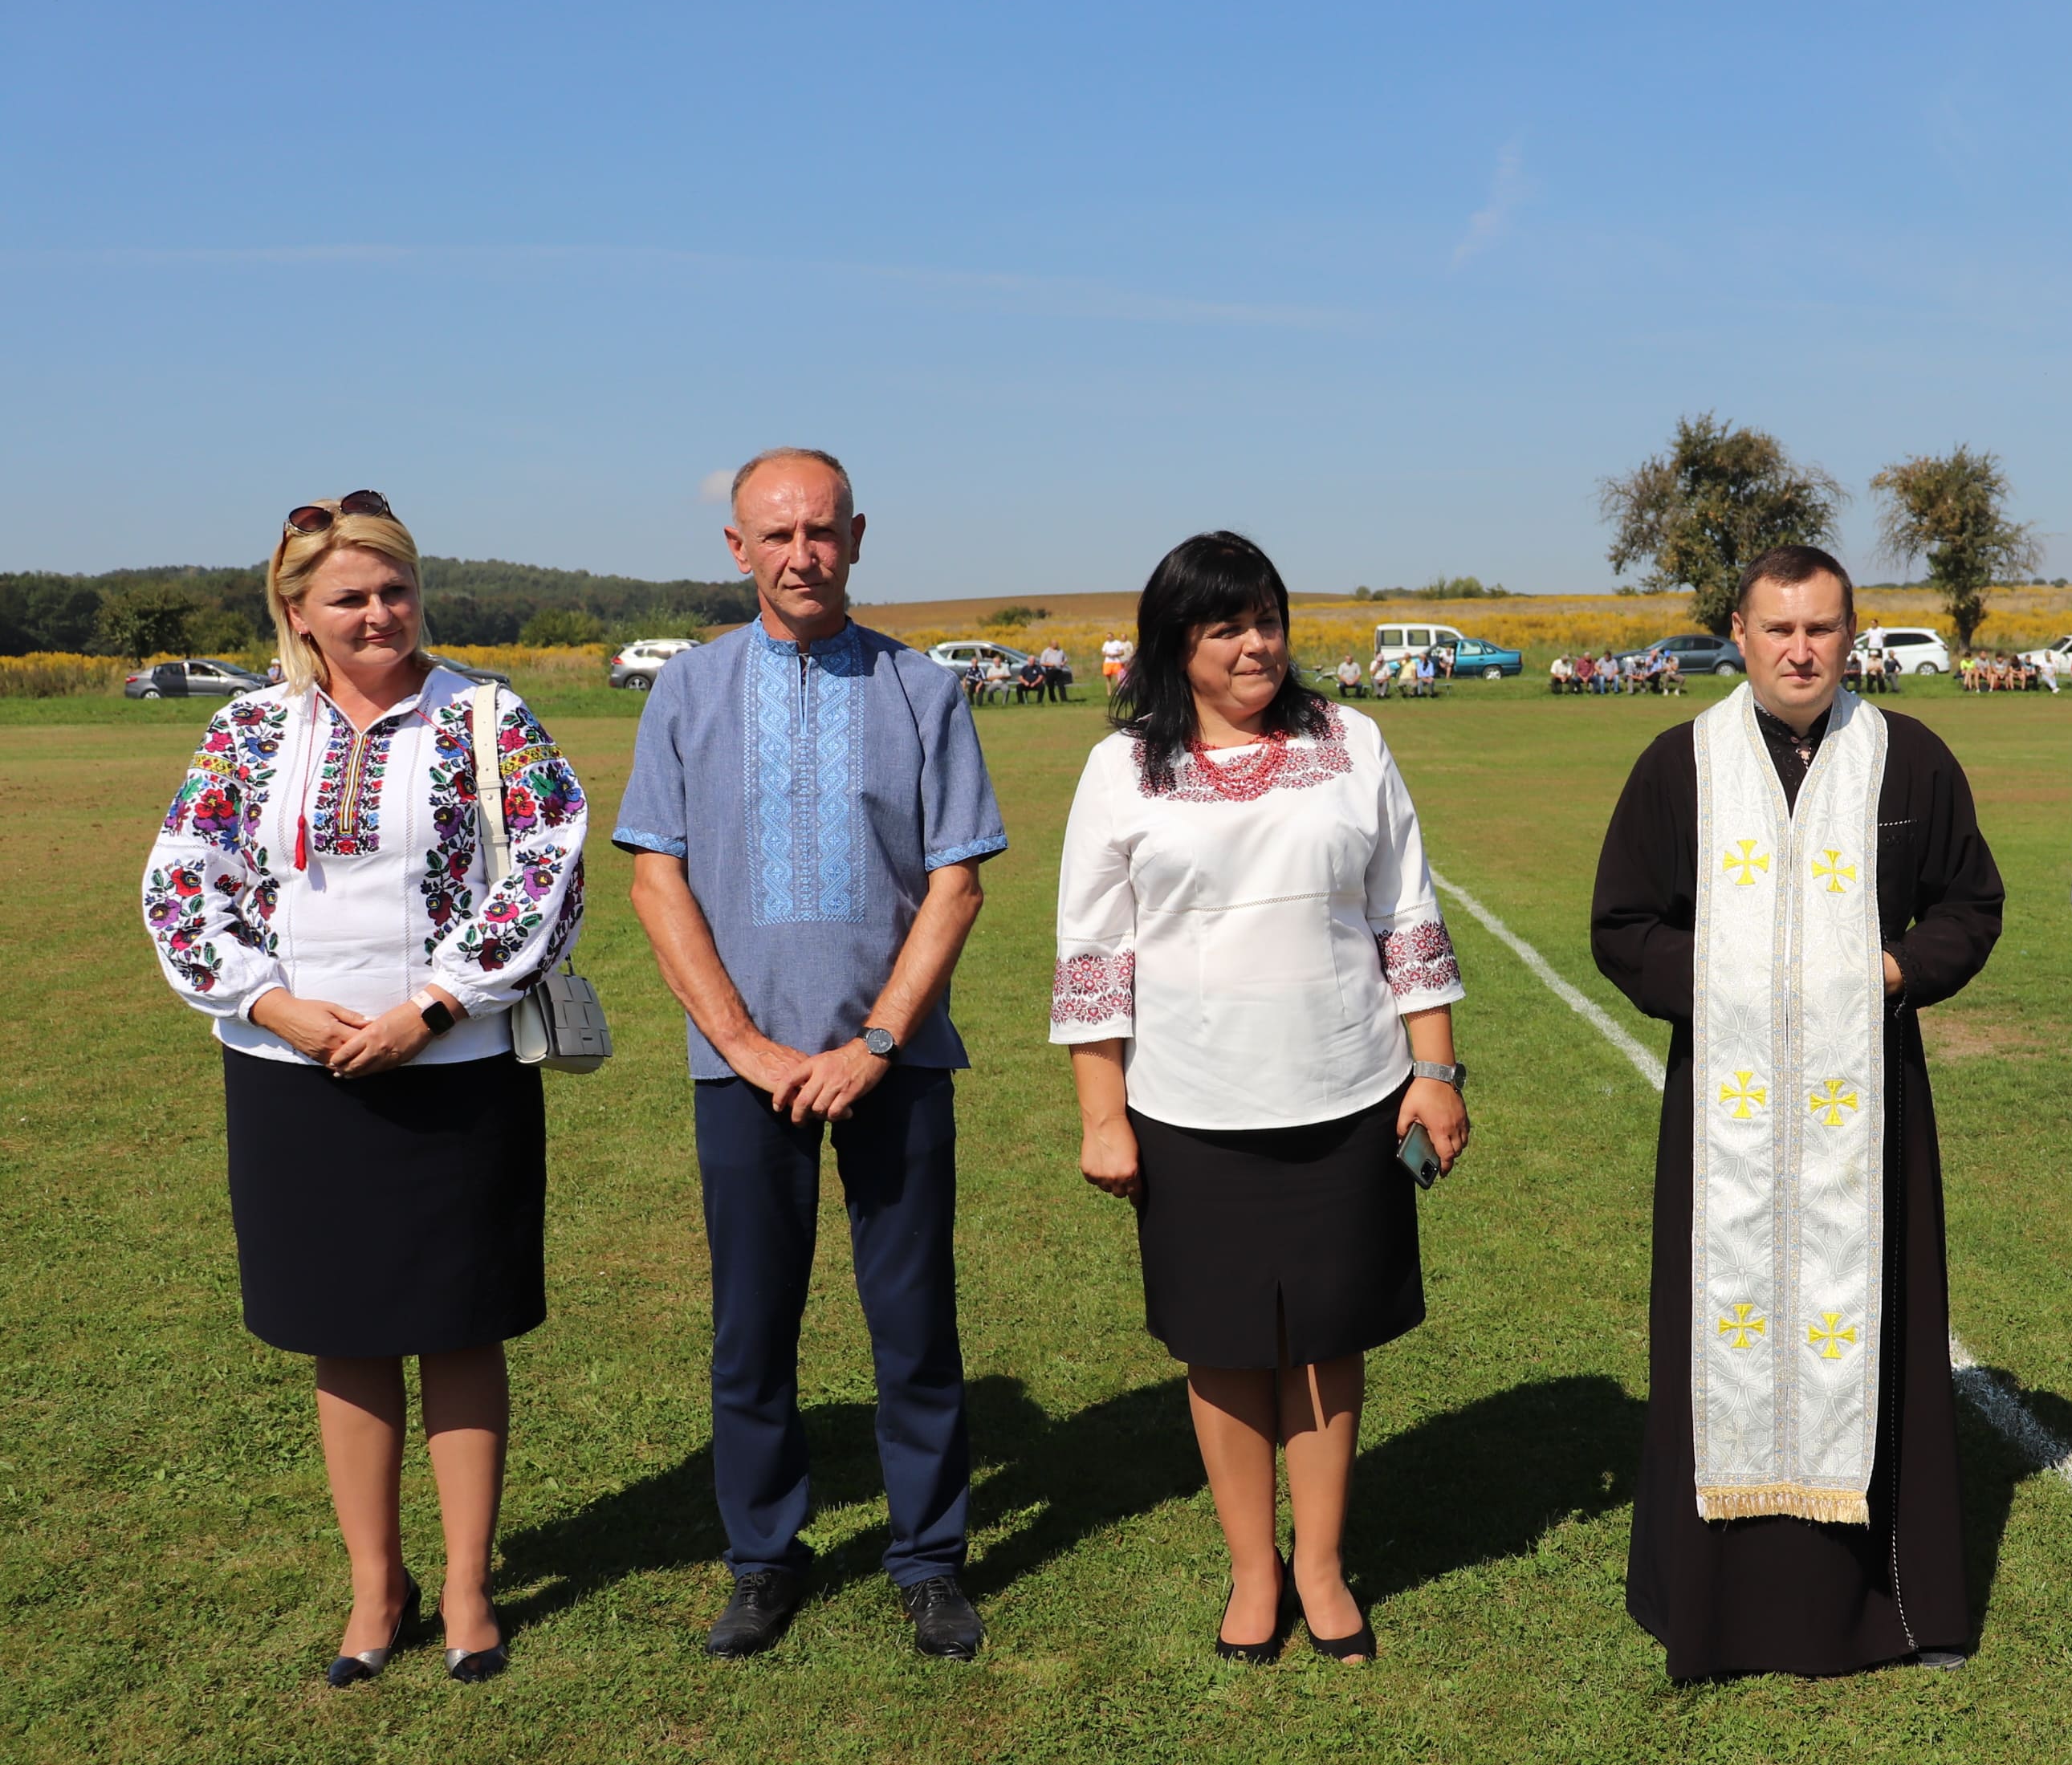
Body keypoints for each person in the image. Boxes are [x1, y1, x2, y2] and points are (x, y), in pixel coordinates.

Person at [139, 490, 588, 1686]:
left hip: (455, 1068)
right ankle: (375, 1587)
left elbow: (546, 869)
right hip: (293, 1079)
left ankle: (467, 1587)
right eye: (350, 596)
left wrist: (432, 1008)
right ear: (298, 610)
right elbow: (183, 881)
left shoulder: (487, 715)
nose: (380, 613)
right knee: (342, 1332)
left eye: (396, 589)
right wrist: (270, 1003)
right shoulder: (247, 730)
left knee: (459, 1322)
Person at [615, 448, 1008, 1663]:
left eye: (823, 531)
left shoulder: (922, 689)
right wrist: (741, 1042)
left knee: (913, 1323)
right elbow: (655, 877)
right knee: (752, 1328)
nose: (803, 555)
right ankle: (764, 1560)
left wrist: (878, 1039)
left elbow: (955, 884)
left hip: (896, 1061)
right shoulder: (687, 689)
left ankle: (929, 1561)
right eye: (778, 535)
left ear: (858, 536)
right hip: (744, 1073)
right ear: (737, 548)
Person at [1053, 532, 1468, 1665]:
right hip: (1190, 1108)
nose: (1255, 646)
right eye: (1225, 626)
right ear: (1174, 643)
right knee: (1224, 1344)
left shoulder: (1352, 741)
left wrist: (1434, 1072)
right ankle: (1253, 1572)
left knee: (1328, 1341)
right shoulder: (1121, 769)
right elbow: (1093, 953)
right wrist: (1103, 1115)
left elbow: (1407, 914)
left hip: (1349, 1092)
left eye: (1268, 620)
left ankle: (1321, 1567)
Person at [1591, 544, 2004, 1680]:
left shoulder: (1907, 759)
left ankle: (1894, 1605)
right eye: (1778, 629)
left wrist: (1894, 970)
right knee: (1714, 1324)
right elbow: (1623, 925)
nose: (1800, 650)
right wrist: (1728, 985)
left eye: (1821, 628)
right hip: (1721, 1106)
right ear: (1740, 633)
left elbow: (1971, 903)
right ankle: (1711, 1608)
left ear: (1850, 634)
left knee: (1881, 1317)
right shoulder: (1680, 764)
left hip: (1870, 1101)